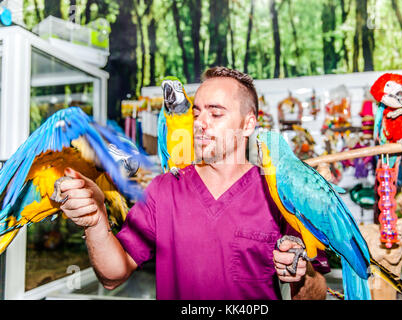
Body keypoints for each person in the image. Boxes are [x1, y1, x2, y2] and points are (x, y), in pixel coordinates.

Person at [60, 67, 330, 300]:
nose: (199, 123)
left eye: (215, 114)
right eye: (196, 112)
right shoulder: (164, 190)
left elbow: (318, 288)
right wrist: (95, 220)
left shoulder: (278, 193)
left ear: (248, 124)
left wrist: (301, 273)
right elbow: (112, 276)